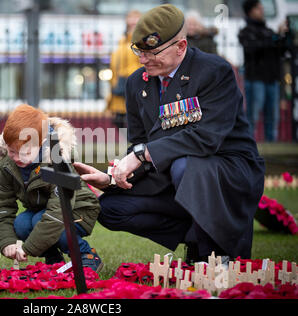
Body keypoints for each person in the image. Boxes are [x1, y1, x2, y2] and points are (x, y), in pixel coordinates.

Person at [73, 4, 265, 264]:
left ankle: (215, 255)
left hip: (225, 170)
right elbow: (140, 143)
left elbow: (207, 137)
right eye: (139, 52)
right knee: (110, 209)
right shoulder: (136, 83)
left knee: (184, 166)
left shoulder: (214, 72)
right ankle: (198, 234)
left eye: (151, 53)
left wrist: (142, 154)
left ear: (181, 47)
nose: (143, 60)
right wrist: (111, 178)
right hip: (172, 175)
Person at [0, 104, 103, 271]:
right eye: (12, 151)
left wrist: (28, 248)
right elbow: (3, 204)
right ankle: (54, 259)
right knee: (21, 223)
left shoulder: (57, 161)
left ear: (41, 144)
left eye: (25, 152)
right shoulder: (9, 165)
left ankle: (86, 255)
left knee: (39, 220)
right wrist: (6, 241)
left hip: (78, 209)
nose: (17, 158)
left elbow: (58, 212)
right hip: (43, 211)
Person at [238, 0, 288, 142]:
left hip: (272, 79)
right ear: (251, 11)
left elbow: (281, 52)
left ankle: (271, 145)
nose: (262, 11)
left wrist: (283, 37)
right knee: (252, 116)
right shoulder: (246, 32)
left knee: (272, 117)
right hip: (255, 80)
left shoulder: (269, 31)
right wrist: (274, 38)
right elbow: (254, 48)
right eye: (259, 8)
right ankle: (249, 146)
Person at [106, 10, 142, 129]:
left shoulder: (140, 44)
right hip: (120, 88)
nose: (132, 22)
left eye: (135, 20)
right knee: (120, 122)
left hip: (134, 86)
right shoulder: (121, 43)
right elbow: (114, 68)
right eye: (130, 20)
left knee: (135, 122)